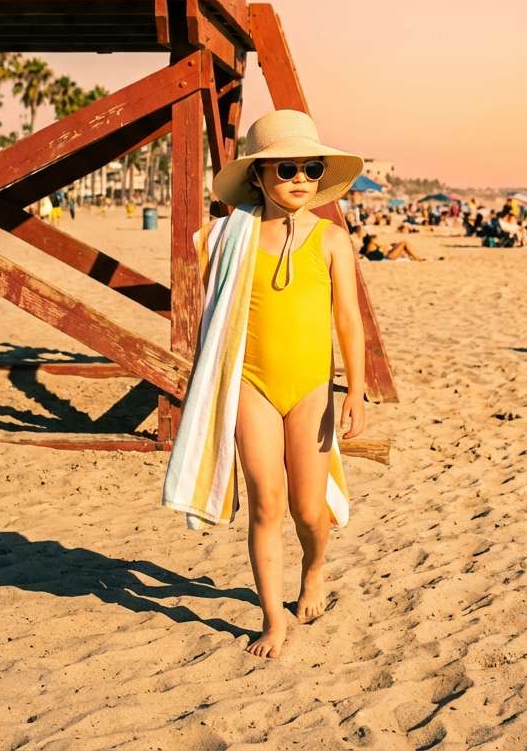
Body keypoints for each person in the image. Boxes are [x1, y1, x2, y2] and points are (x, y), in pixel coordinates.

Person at [162, 110, 366, 660]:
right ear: (258, 177)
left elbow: (348, 319)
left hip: (311, 390)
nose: (300, 178)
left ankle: (315, 568)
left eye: (311, 167)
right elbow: (216, 310)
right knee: (266, 505)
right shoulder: (232, 237)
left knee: (308, 511)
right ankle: (272, 618)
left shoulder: (331, 241)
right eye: (286, 168)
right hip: (250, 384)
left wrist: (357, 390)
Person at [360, 233, 424, 261]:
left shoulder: (370, 248)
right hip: (388, 257)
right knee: (404, 242)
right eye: (377, 239)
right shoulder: (372, 246)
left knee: (400, 245)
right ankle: (417, 258)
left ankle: (416, 257)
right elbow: (384, 247)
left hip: (387, 256)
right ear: (372, 240)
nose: (378, 240)